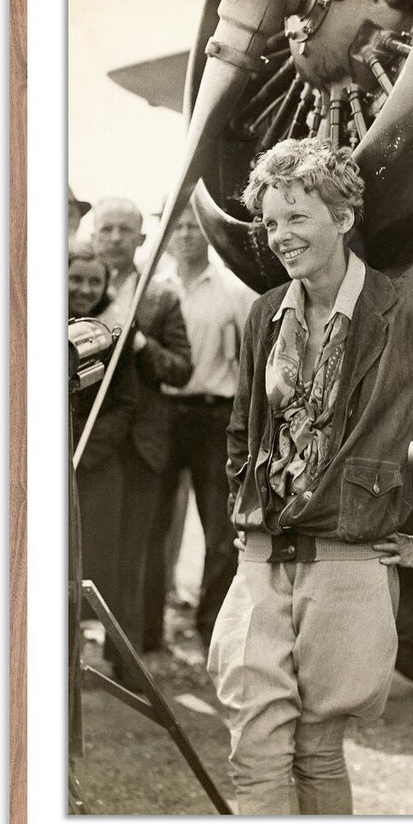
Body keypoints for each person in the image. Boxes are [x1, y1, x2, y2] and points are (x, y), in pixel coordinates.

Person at [208, 139, 413, 815]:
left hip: (348, 568)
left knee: (317, 752)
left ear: (342, 217)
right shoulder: (266, 314)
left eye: (297, 217)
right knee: (253, 753)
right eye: (272, 221)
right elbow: (241, 431)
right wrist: (244, 509)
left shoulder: (406, 316)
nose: (280, 236)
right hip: (260, 563)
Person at [143, 205, 257, 651]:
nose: (187, 234)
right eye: (179, 227)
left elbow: (253, 358)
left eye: (194, 226)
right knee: (153, 526)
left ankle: (214, 633)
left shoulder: (234, 290)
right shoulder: (152, 290)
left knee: (221, 530)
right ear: (166, 235)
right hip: (163, 416)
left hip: (215, 417)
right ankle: (147, 633)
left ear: (208, 232)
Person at [91, 197, 193, 665]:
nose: (114, 238)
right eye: (106, 229)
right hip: (86, 442)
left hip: (141, 444)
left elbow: (181, 369)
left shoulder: (161, 297)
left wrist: (141, 344)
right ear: (93, 235)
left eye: (124, 230)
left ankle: (127, 657)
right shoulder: (72, 286)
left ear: (141, 238)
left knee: (135, 551)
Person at [67, 240, 138, 681]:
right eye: (75, 278)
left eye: (95, 281)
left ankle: (119, 662)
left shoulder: (115, 331)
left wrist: (86, 451)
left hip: (96, 466)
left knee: (101, 563)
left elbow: (126, 405)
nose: (84, 288)